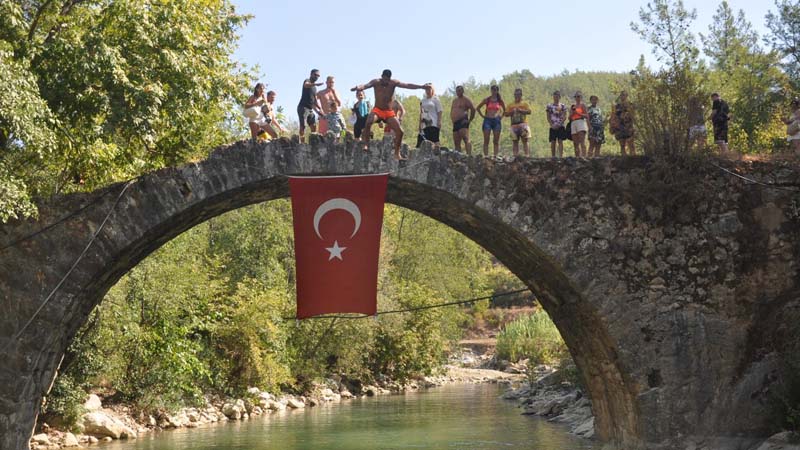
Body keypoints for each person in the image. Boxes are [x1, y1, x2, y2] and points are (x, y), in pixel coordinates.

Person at [350, 69, 430, 160]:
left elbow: (407, 85)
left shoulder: (393, 83)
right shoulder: (376, 82)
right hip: (378, 110)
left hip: (388, 112)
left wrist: (421, 86)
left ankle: (397, 153)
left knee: (400, 132)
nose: (385, 82)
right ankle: (366, 144)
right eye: (384, 79)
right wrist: (358, 87)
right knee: (368, 122)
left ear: (389, 78)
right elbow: (365, 85)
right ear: (381, 77)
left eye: (387, 80)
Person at [476, 85, 506, 158]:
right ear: (491, 90)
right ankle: (486, 156)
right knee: (486, 139)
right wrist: (483, 116)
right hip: (487, 120)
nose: (494, 91)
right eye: (492, 90)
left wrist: (501, 117)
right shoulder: (487, 99)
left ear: (497, 91)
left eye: (495, 90)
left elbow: (505, 110)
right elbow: (478, 108)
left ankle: (496, 156)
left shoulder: (500, 100)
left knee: (496, 140)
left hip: (496, 120)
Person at [297, 69, 324, 143]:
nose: (317, 77)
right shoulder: (307, 81)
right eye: (315, 75)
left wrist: (320, 109)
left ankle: (313, 142)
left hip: (310, 109)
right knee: (303, 126)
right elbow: (306, 85)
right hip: (303, 107)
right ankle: (302, 143)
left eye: (318, 76)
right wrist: (315, 84)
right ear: (311, 74)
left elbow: (315, 101)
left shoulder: (314, 88)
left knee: (314, 126)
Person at [504, 88, 531, 157]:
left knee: (525, 140)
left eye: (518, 94)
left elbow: (529, 111)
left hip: (523, 124)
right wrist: (511, 112)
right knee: (515, 141)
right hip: (514, 125)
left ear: (521, 95)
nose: (517, 96)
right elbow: (506, 114)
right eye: (515, 94)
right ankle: (515, 156)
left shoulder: (525, 104)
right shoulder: (510, 105)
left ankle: (527, 155)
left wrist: (521, 110)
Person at [451, 85, 476, 155]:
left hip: (463, 121)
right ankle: (458, 157)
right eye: (457, 91)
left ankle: (469, 156)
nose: (458, 92)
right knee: (456, 142)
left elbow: (473, 109)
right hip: (455, 123)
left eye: (459, 91)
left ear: (462, 91)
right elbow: (452, 110)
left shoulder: (466, 99)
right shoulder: (454, 101)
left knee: (466, 138)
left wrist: (470, 120)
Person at [610, 91, 636, 156]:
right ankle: (624, 158)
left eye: (624, 95)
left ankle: (633, 158)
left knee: (631, 143)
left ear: (627, 96)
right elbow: (613, 115)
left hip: (628, 126)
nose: (622, 96)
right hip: (619, 126)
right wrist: (612, 125)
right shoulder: (617, 106)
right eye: (621, 95)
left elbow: (633, 115)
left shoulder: (630, 104)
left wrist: (632, 126)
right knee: (622, 144)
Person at [546, 90, 569, 158]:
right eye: (555, 96)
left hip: (561, 126)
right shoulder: (549, 106)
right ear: (553, 97)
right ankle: (553, 156)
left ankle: (560, 156)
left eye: (557, 96)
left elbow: (565, 116)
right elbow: (548, 116)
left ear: (559, 97)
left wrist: (560, 124)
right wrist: (551, 125)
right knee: (553, 141)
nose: (556, 97)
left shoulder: (563, 106)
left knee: (560, 141)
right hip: (552, 126)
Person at [710, 93, 732, 158]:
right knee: (724, 140)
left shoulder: (716, 101)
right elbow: (728, 114)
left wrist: (709, 117)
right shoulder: (725, 103)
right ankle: (725, 155)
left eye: (712, 98)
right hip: (725, 123)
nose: (712, 100)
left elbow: (714, 112)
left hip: (718, 123)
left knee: (719, 140)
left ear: (715, 96)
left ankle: (725, 155)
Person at [569, 92, 589, 157]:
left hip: (581, 122)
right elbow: (569, 118)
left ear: (581, 97)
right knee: (575, 143)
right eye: (576, 96)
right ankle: (577, 157)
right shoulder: (572, 106)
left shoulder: (583, 105)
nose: (577, 98)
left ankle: (584, 156)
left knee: (582, 141)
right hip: (573, 122)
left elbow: (586, 115)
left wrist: (578, 113)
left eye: (578, 96)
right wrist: (572, 113)